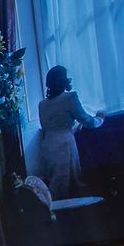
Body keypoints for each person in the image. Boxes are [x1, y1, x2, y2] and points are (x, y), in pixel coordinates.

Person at [36, 65, 103, 199]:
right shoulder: (70, 97)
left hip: (48, 145)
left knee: (55, 183)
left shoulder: (42, 104)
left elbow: (48, 127)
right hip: (65, 144)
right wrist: (100, 119)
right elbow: (87, 121)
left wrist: (72, 127)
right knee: (69, 183)